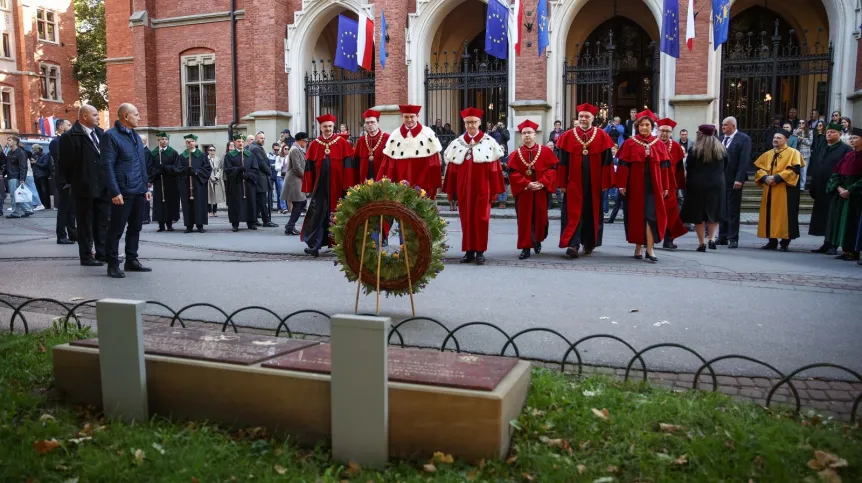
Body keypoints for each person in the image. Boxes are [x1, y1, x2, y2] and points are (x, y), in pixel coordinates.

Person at [443, 107, 506, 265]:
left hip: (483, 189)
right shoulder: (457, 144)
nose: (471, 125)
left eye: (474, 122)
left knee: (481, 219)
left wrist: (495, 190)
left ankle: (480, 251)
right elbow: (452, 169)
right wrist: (452, 191)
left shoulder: (489, 142)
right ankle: (468, 251)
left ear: (479, 123)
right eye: (468, 122)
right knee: (466, 220)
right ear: (464, 124)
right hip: (464, 190)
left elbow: (495, 168)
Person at [100, 103, 152, 278]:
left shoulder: (136, 137)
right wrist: (115, 192)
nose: (139, 117)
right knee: (116, 229)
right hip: (122, 192)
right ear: (126, 117)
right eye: (136, 114)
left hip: (138, 190)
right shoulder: (111, 136)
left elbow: (141, 164)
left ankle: (132, 259)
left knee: (136, 227)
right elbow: (107, 166)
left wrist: (145, 187)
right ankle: (113, 263)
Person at [556, 103, 614, 258]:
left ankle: (589, 243)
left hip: (594, 184)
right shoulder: (567, 136)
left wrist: (605, 183)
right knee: (573, 213)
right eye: (581, 116)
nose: (583, 119)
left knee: (591, 212)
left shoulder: (602, 135)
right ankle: (573, 244)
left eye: (586, 116)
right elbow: (562, 162)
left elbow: (607, 162)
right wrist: (561, 183)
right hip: (573, 182)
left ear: (592, 118)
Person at [616, 109, 671, 262]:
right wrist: (621, 184)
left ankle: (650, 249)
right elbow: (623, 165)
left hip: (654, 187)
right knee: (636, 217)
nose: (644, 128)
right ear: (637, 127)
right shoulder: (629, 143)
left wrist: (666, 186)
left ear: (652, 126)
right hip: (634, 186)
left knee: (651, 217)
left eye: (647, 125)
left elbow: (665, 167)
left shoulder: (659, 144)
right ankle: (638, 247)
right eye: (641, 125)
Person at [59, 105, 109, 265]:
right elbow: (65, 165)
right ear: (84, 117)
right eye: (95, 115)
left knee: (102, 221)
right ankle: (86, 255)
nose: (98, 117)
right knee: (85, 222)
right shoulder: (70, 136)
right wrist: (76, 180)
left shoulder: (101, 134)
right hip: (83, 187)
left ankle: (102, 252)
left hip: (102, 186)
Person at [301, 114, 356, 257]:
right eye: (325, 126)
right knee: (318, 215)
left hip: (338, 187)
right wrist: (309, 187)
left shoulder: (342, 143)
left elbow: (348, 166)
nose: (328, 129)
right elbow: (309, 167)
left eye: (330, 126)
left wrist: (348, 185)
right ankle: (315, 245)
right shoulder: (315, 144)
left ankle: (339, 245)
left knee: (338, 215)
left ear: (333, 127)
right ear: (320, 128)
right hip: (320, 187)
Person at [509, 120, 558, 259]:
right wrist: (526, 184)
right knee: (524, 220)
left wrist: (542, 183)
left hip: (541, 192)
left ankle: (537, 240)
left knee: (541, 219)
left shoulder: (545, 151)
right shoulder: (515, 154)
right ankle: (525, 247)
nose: (527, 135)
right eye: (524, 133)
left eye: (529, 132)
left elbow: (552, 170)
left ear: (535, 134)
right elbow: (513, 174)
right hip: (524, 193)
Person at [753, 128, 805, 251]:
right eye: (775, 138)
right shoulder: (768, 154)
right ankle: (772, 241)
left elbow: (794, 170)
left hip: (786, 190)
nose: (776, 140)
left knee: (787, 215)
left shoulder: (793, 153)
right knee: (769, 214)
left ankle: (785, 242)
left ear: (786, 140)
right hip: (770, 189)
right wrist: (765, 177)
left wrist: (776, 177)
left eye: (779, 138)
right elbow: (759, 169)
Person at [377, 104, 444, 198]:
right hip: (400, 185)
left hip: (423, 183)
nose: (409, 120)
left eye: (412, 116)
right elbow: (389, 165)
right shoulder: (395, 135)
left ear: (417, 117)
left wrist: (432, 185)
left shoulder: (428, 133)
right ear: (402, 117)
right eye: (406, 117)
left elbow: (434, 164)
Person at [680, 125, 727, 252]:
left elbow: (689, 167)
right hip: (717, 184)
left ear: (701, 134)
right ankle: (711, 239)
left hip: (697, 185)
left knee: (698, 214)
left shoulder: (694, 149)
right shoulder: (721, 149)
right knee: (714, 212)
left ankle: (701, 243)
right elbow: (726, 166)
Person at [809, 123, 852, 253]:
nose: (829, 134)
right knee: (823, 218)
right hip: (822, 188)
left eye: (833, 132)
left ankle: (833, 244)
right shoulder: (823, 148)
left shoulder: (846, 150)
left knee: (833, 217)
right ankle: (826, 243)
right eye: (828, 132)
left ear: (840, 134)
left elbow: (846, 170)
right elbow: (817, 167)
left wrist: (840, 186)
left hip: (835, 189)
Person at [823, 127, 862, 260]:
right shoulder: (848, 155)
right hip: (843, 194)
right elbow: (836, 174)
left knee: (854, 223)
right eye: (851, 138)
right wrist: (839, 188)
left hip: (857, 196)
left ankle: (855, 251)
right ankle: (845, 250)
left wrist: (850, 189)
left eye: (855, 138)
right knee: (842, 222)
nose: (852, 140)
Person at [717, 116, 752, 249]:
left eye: (725, 125)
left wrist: (739, 178)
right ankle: (722, 236)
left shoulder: (743, 139)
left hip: (734, 180)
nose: (723, 127)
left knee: (733, 210)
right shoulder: (720, 139)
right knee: (722, 209)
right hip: (721, 180)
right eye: (722, 125)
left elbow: (744, 160)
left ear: (733, 126)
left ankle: (733, 237)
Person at [657, 118, 689, 250]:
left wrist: (680, 186)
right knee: (653, 214)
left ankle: (669, 239)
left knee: (671, 214)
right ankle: (649, 239)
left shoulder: (675, 146)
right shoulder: (652, 144)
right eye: (662, 130)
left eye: (667, 131)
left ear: (671, 133)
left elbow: (680, 168)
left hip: (670, 186)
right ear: (657, 131)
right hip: (655, 184)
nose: (664, 133)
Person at [176, 134, 212, 233]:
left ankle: (200, 225)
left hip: (198, 183)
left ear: (195, 142)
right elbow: (177, 169)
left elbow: (208, 168)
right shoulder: (182, 156)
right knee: (187, 205)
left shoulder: (201, 155)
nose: (190, 143)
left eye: (191, 141)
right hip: (186, 184)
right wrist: (186, 170)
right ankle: (189, 225)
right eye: (188, 142)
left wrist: (196, 172)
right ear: (185, 143)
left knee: (199, 204)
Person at [223, 134, 258, 232]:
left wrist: (248, 175)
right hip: (236, 184)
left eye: (242, 141)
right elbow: (227, 169)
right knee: (236, 203)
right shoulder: (229, 155)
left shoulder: (249, 155)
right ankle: (235, 223)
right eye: (238, 141)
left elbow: (255, 168)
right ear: (234, 143)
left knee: (250, 202)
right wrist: (238, 169)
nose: (240, 143)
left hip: (248, 183)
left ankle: (251, 222)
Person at [148, 132, 181, 232]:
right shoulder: (154, 153)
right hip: (158, 181)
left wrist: (167, 169)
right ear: (159, 140)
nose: (164, 141)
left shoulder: (173, 152)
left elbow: (177, 167)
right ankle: (161, 224)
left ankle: (169, 224)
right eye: (162, 139)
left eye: (166, 139)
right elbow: (149, 166)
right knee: (159, 203)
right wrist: (157, 171)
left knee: (170, 203)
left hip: (170, 182)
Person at [50, 118, 76, 244]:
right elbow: (60, 162)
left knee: (71, 209)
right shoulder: (56, 142)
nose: (71, 126)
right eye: (69, 124)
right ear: (61, 127)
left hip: (71, 179)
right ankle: (61, 235)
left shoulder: (67, 140)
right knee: (64, 208)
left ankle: (72, 233)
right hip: (63, 180)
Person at [282, 132, 308, 236]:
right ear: (300, 140)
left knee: (300, 203)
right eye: (305, 141)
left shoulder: (297, 149)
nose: (306, 143)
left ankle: (290, 226)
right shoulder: (295, 150)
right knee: (300, 203)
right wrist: (306, 178)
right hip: (294, 181)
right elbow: (297, 168)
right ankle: (289, 227)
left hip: (296, 181)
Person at [250, 131, 278, 228]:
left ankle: (255, 220)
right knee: (262, 200)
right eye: (261, 138)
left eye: (264, 138)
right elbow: (261, 163)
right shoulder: (255, 148)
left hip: (261, 177)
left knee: (259, 201)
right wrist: (269, 171)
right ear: (256, 138)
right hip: (260, 177)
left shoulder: (256, 147)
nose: (263, 140)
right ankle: (266, 220)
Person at [356, 109, 389, 181]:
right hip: (365, 175)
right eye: (367, 123)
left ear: (378, 123)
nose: (370, 125)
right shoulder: (361, 140)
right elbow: (357, 162)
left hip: (381, 175)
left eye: (372, 122)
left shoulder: (387, 138)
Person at [5, 136, 33, 218]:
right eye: (7, 140)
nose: (8, 142)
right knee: (16, 194)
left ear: (15, 142)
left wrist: (22, 179)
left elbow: (23, 167)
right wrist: (2, 174)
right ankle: (27, 210)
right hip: (11, 175)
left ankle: (15, 212)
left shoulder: (21, 152)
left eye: (9, 140)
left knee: (14, 195)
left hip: (16, 176)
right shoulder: (10, 152)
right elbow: (8, 165)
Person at [206, 144, 226, 216]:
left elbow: (220, 168)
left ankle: (215, 211)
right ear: (208, 151)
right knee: (209, 195)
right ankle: (209, 211)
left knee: (216, 195)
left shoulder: (218, 159)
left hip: (217, 179)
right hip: (209, 179)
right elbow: (206, 169)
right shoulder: (206, 159)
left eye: (213, 150)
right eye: (210, 150)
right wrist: (211, 177)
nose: (212, 151)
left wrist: (217, 176)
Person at [32, 145, 52, 209]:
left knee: (45, 191)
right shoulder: (36, 156)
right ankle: (41, 204)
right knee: (38, 191)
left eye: (35, 150)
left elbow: (45, 165)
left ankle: (46, 205)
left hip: (43, 175)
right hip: (36, 175)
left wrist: (35, 162)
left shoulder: (45, 156)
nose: (34, 152)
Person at [795, 119, 812, 190]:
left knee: (803, 170)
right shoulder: (795, 131)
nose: (801, 124)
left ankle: (802, 186)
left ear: (805, 124)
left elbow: (810, 143)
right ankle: (795, 185)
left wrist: (802, 139)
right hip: (796, 153)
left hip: (805, 154)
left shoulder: (810, 132)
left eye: (803, 123)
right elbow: (793, 141)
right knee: (795, 170)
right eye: (800, 123)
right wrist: (796, 134)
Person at [270, 142, 285, 213]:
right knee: (270, 191)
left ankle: (280, 207)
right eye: (275, 149)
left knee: (279, 191)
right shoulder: (268, 155)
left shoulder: (280, 156)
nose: (276, 151)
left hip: (278, 175)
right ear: (272, 148)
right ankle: (270, 206)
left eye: (277, 149)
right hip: (270, 175)